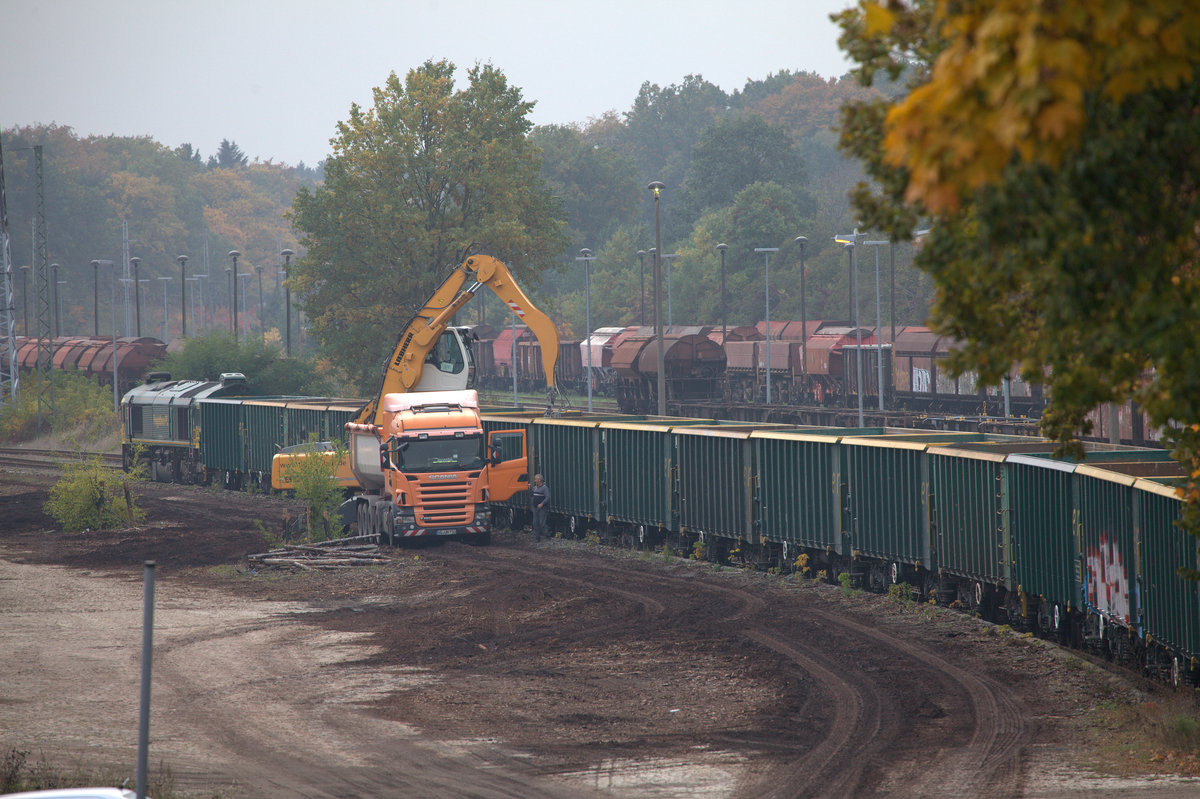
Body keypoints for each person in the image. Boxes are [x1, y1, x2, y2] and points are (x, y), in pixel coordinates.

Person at [531, 473, 550, 541]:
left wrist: (542, 504)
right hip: (535, 507)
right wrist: (529, 488)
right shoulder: (535, 488)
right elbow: (531, 495)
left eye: (535, 479)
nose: (534, 480)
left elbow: (548, 497)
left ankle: (547, 534)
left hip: (542, 508)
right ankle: (537, 538)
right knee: (535, 523)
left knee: (542, 523)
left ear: (539, 480)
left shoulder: (544, 488)